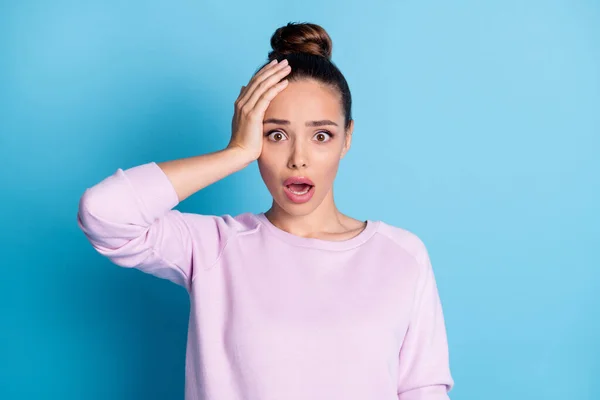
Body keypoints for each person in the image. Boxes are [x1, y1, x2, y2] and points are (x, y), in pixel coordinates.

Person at [77, 21, 454, 400]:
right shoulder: (214, 248)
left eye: (321, 135)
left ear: (347, 138)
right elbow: (104, 213)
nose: (298, 159)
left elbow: (423, 391)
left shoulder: (401, 256)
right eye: (276, 134)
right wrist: (235, 153)